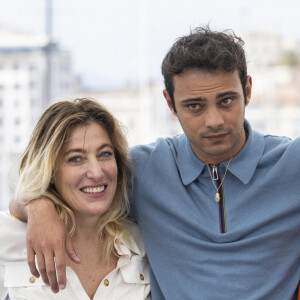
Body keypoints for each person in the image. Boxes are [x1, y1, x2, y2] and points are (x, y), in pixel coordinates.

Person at [10, 26, 300, 299]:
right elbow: (56, 185)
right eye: (194, 106)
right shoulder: (143, 169)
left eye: (226, 101)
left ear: (247, 91)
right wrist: (39, 208)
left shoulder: (291, 164)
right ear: (170, 103)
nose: (214, 121)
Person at [2, 98, 150, 299]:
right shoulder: (9, 238)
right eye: (76, 158)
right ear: (51, 170)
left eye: (105, 154)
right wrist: (35, 205)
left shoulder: (143, 243)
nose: (96, 173)